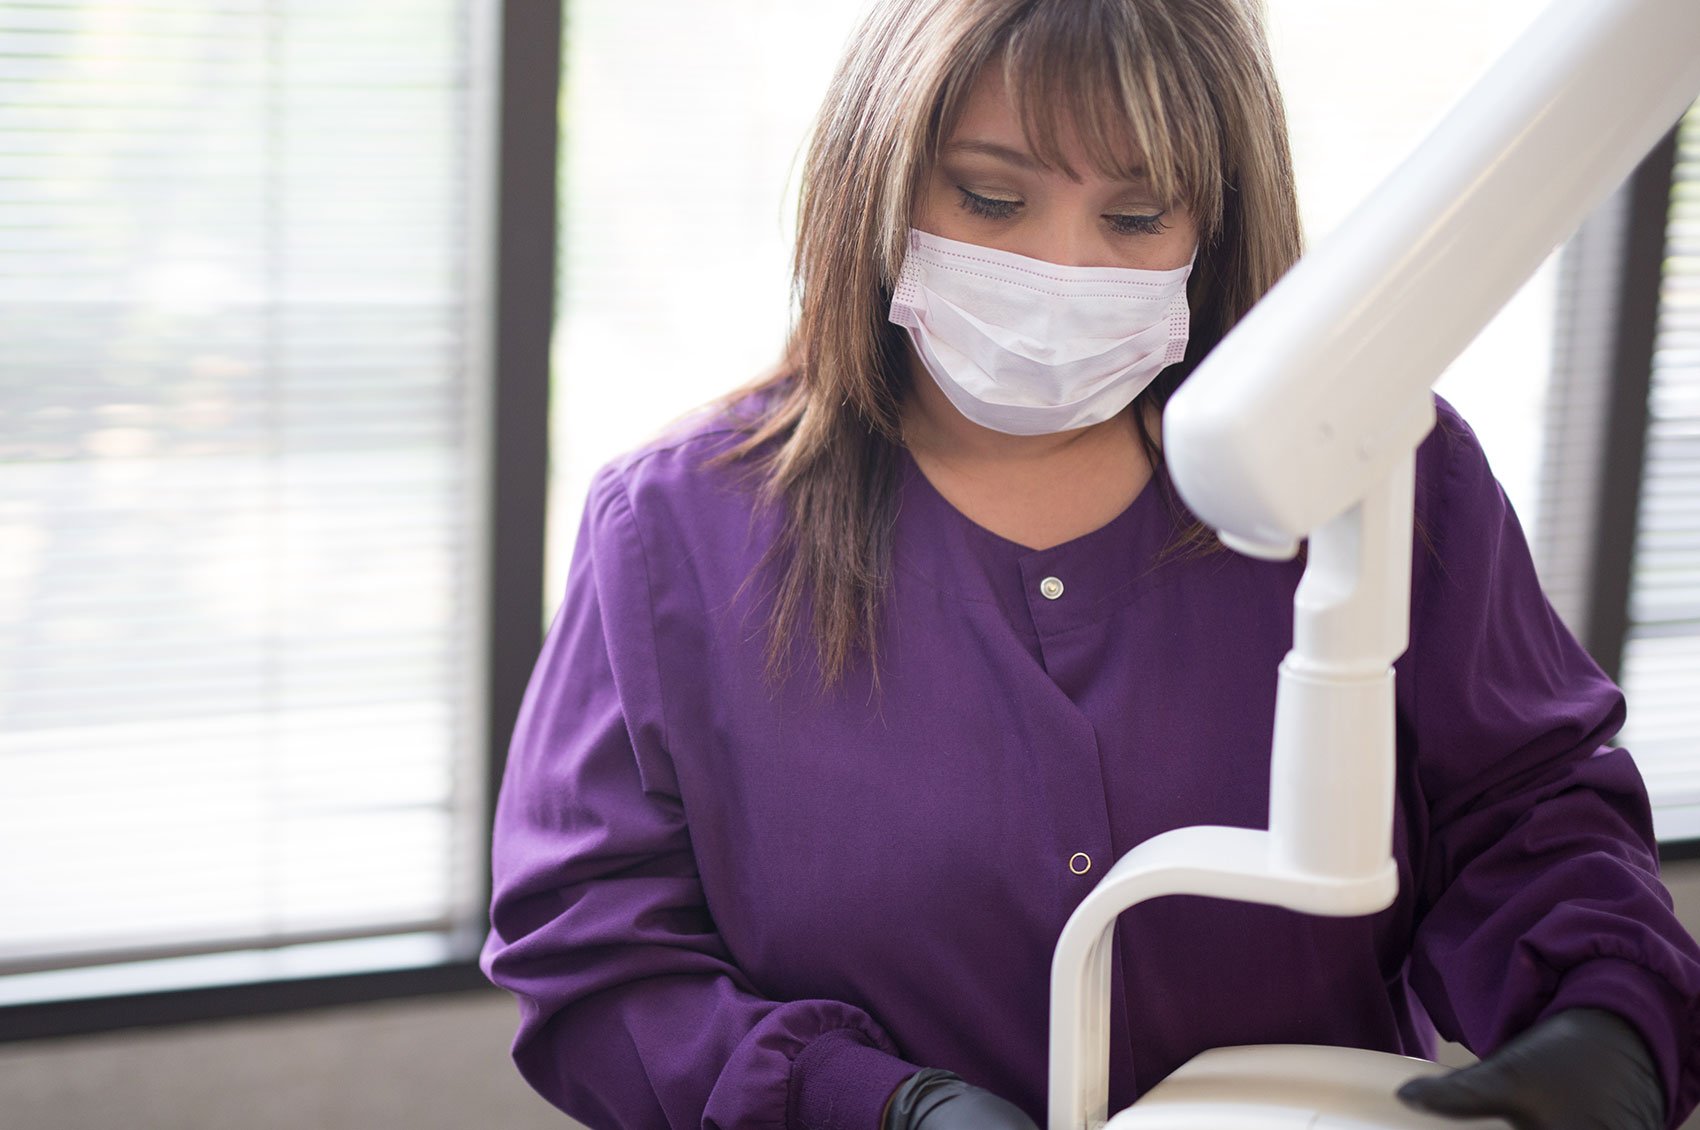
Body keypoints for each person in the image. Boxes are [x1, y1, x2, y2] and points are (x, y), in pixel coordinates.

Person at [478, 1, 1700, 1127]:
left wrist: (1600, 1017)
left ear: (1211, 221)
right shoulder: (678, 533)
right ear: (877, 179)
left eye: (1134, 216)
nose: (1063, 268)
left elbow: (1525, 810)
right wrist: (870, 1107)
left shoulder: (1371, 469)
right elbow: (593, 954)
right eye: (989, 199)